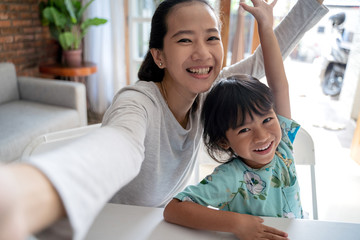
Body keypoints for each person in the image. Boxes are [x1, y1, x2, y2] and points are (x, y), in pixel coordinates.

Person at [0, 0, 327, 239]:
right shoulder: (137, 102)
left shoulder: (205, 95)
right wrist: (31, 190)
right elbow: (119, 145)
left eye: (211, 37)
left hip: (160, 226)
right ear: (159, 55)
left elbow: (261, 65)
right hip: (109, 227)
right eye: (185, 39)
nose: (202, 53)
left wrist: (288, 13)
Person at [163, 0, 302, 239]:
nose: (262, 135)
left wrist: (266, 26)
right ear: (224, 141)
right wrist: (237, 223)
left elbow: (279, 86)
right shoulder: (232, 177)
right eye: (244, 129)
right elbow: (173, 209)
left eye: (267, 119)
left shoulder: (284, 146)